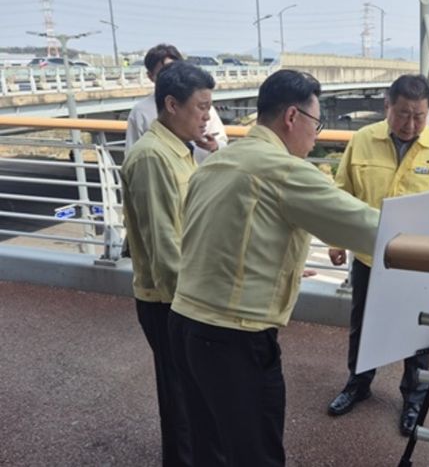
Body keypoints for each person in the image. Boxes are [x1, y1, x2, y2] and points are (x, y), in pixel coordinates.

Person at [168, 69, 380, 467]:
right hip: (233, 337)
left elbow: (220, 236)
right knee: (257, 455)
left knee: (208, 447)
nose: (316, 135)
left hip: (183, 324)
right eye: (316, 123)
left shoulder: (217, 161)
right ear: (292, 117)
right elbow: (369, 228)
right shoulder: (283, 169)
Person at [326, 74, 429, 436]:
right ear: (387, 106)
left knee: (419, 334)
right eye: (403, 114)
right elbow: (342, 194)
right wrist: (336, 241)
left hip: (420, 262)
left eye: (420, 116)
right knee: (363, 326)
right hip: (370, 256)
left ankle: (413, 398)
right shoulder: (362, 140)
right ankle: (358, 383)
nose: (411, 124)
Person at [121, 61, 216, 466]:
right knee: (180, 402)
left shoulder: (180, 150)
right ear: (172, 105)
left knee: (191, 397)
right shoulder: (153, 157)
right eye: (201, 107)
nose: (207, 116)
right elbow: (164, 248)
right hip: (169, 301)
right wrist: (192, 312)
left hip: (182, 296)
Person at [125, 43, 227, 162]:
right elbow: (132, 154)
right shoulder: (141, 112)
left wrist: (215, 146)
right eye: (164, 73)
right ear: (150, 76)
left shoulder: (203, 106)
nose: (206, 116)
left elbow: (222, 141)